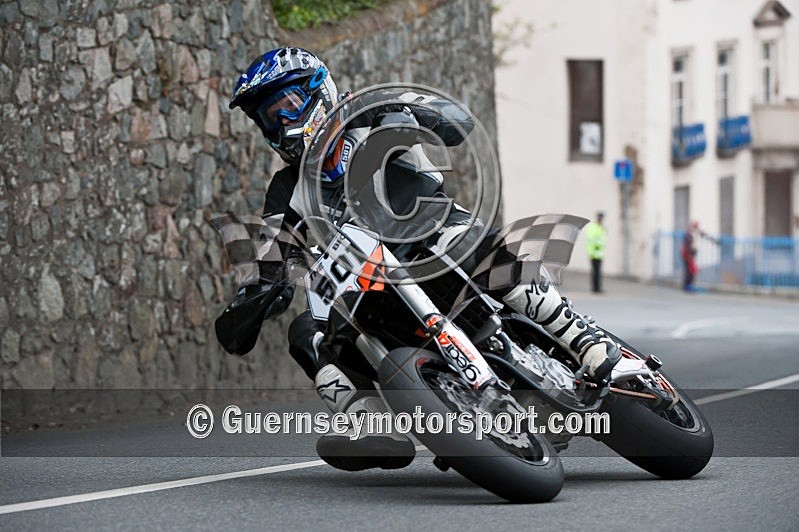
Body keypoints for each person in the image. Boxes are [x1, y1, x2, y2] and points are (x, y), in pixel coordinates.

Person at [216, 47, 620, 471]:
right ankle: (369, 422)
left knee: (466, 242)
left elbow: (457, 123)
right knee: (306, 330)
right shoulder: (286, 189)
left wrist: (409, 113)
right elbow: (271, 253)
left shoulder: (368, 114)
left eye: (287, 106)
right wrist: (255, 298)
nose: (281, 122)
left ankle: (583, 337)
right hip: (369, 283)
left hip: (432, 238)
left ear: (318, 91)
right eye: (268, 117)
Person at [585, 211, 606, 293]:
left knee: (598, 272)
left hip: (599, 253)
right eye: (600, 217)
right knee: (595, 272)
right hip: (594, 253)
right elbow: (591, 240)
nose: (601, 219)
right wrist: (591, 252)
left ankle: (598, 288)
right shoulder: (594, 227)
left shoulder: (601, 227)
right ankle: (595, 288)